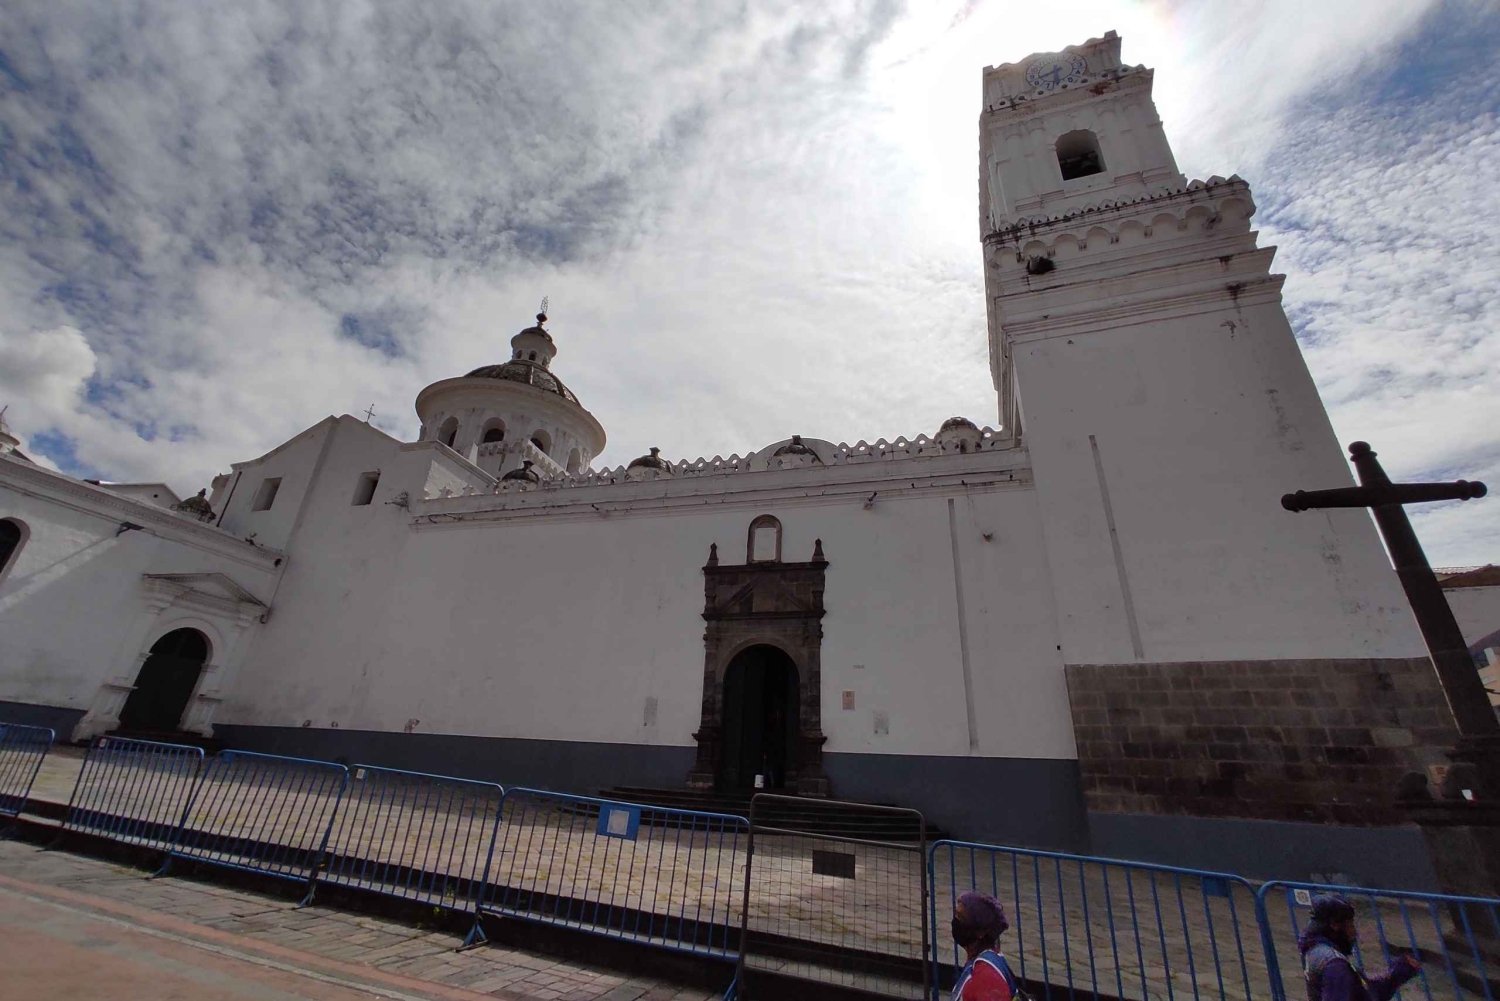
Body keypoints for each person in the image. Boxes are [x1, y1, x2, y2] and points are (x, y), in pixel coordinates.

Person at [1299, 894, 1422, 1001]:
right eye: (1350, 925)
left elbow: (1365, 993)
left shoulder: (1317, 950)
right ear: (1335, 925)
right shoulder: (1335, 965)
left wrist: (1399, 972)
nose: (1354, 933)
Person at [951, 891, 1020, 1001]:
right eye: (956, 915)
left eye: (961, 918)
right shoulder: (984, 960)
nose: (955, 922)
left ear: (980, 932)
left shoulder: (985, 975)